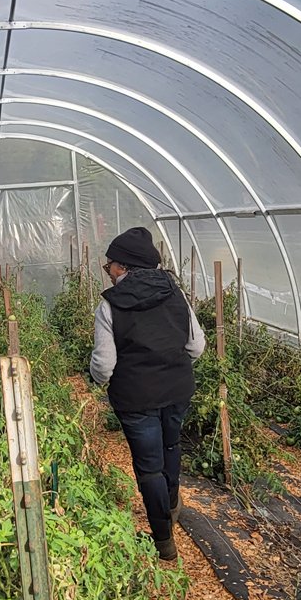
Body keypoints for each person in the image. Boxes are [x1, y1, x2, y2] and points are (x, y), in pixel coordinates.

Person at [89, 227, 204, 561]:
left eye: (110, 265)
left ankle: (164, 540)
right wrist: (173, 364)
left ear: (123, 267)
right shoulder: (175, 293)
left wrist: (96, 380)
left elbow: (104, 365)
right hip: (177, 388)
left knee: (149, 467)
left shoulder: (110, 306)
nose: (108, 271)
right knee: (172, 444)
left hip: (136, 398)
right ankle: (171, 504)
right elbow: (196, 345)